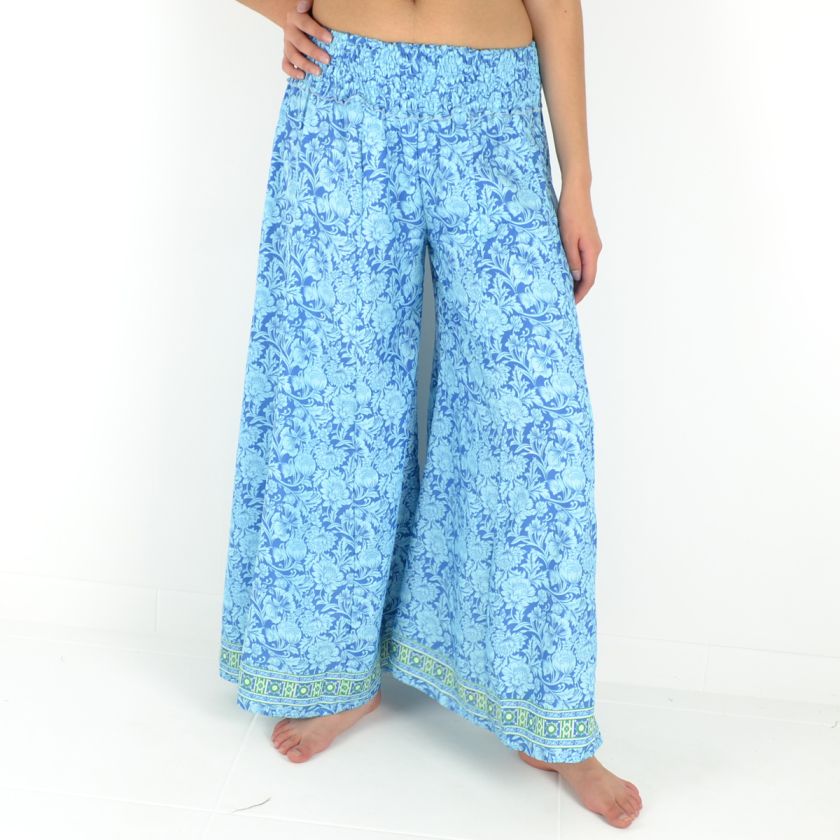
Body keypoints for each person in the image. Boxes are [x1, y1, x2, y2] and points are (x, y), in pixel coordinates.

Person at [219, 0, 642, 829]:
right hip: (344, 93)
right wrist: (280, 10)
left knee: (539, 421)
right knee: (330, 408)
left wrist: (578, 180)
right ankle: (333, 675)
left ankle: (547, 715)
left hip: (493, 113)